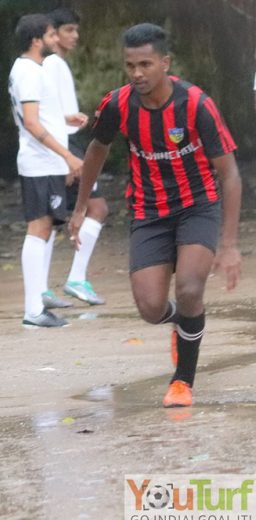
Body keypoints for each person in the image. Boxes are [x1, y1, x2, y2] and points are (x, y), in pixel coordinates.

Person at [69, 23, 241, 408]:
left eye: (145, 64)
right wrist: (80, 206)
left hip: (197, 205)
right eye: (130, 65)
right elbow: (96, 150)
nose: (137, 74)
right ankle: (185, 325)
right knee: (150, 308)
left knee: (191, 289)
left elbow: (229, 174)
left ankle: (183, 382)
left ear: (165, 63)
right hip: (149, 210)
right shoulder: (117, 104)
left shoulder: (196, 104)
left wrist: (229, 246)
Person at [8, 14, 83, 328]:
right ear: (37, 39)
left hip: (45, 161)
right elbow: (32, 122)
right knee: (37, 230)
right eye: (52, 35)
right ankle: (33, 310)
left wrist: (67, 120)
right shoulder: (28, 71)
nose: (56, 40)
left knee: (44, 229)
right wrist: (68, 155)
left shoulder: (30, 69)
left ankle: (36, 305)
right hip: (40, 162)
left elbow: (41, 118)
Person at [43, 7, 109, 306]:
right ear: (53, 33)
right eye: (69, 30)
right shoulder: (53, 64)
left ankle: (46, 288)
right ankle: (75, 279)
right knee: (96, 208)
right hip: (64, 147)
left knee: (50, 218)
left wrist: (73, 118)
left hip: (64, 143)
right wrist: (68, 156)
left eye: (76, 30)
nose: (75, 36)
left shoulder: (52, 65)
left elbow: (55, 113)